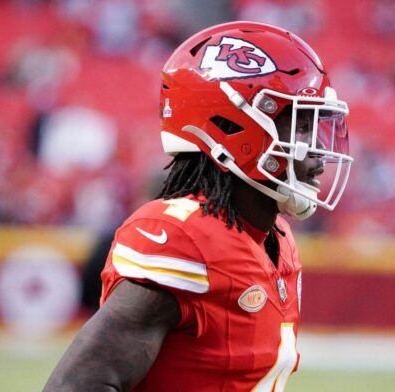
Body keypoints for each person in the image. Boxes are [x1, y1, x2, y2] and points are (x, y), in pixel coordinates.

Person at [45, 21, 354, 391]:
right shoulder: (184, 237)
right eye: (300, 126)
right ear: (234, 126)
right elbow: (78, 385)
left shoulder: (277, 238)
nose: (318, 152)